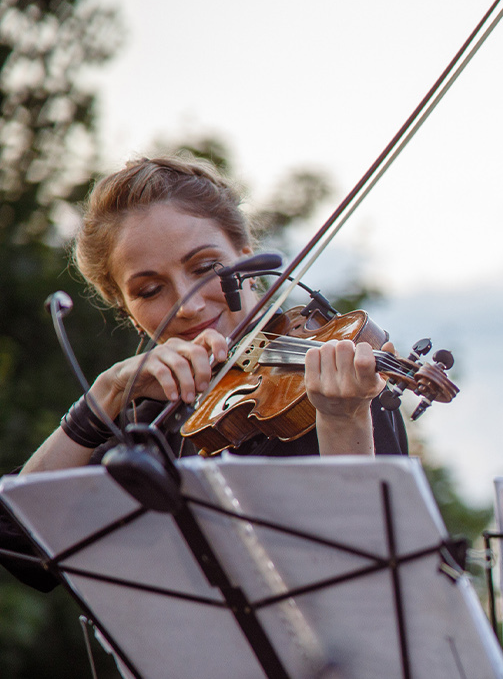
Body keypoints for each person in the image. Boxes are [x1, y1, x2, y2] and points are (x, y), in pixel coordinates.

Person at [1, 154, 405, 590]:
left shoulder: (331, 382)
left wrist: (343, 420)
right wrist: (106, 395)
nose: (190, 304)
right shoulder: (145, 423)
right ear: (129, 312)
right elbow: (22, 546)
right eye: (150, 290)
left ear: (248, 262)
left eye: (206, 268)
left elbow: (374, 576)